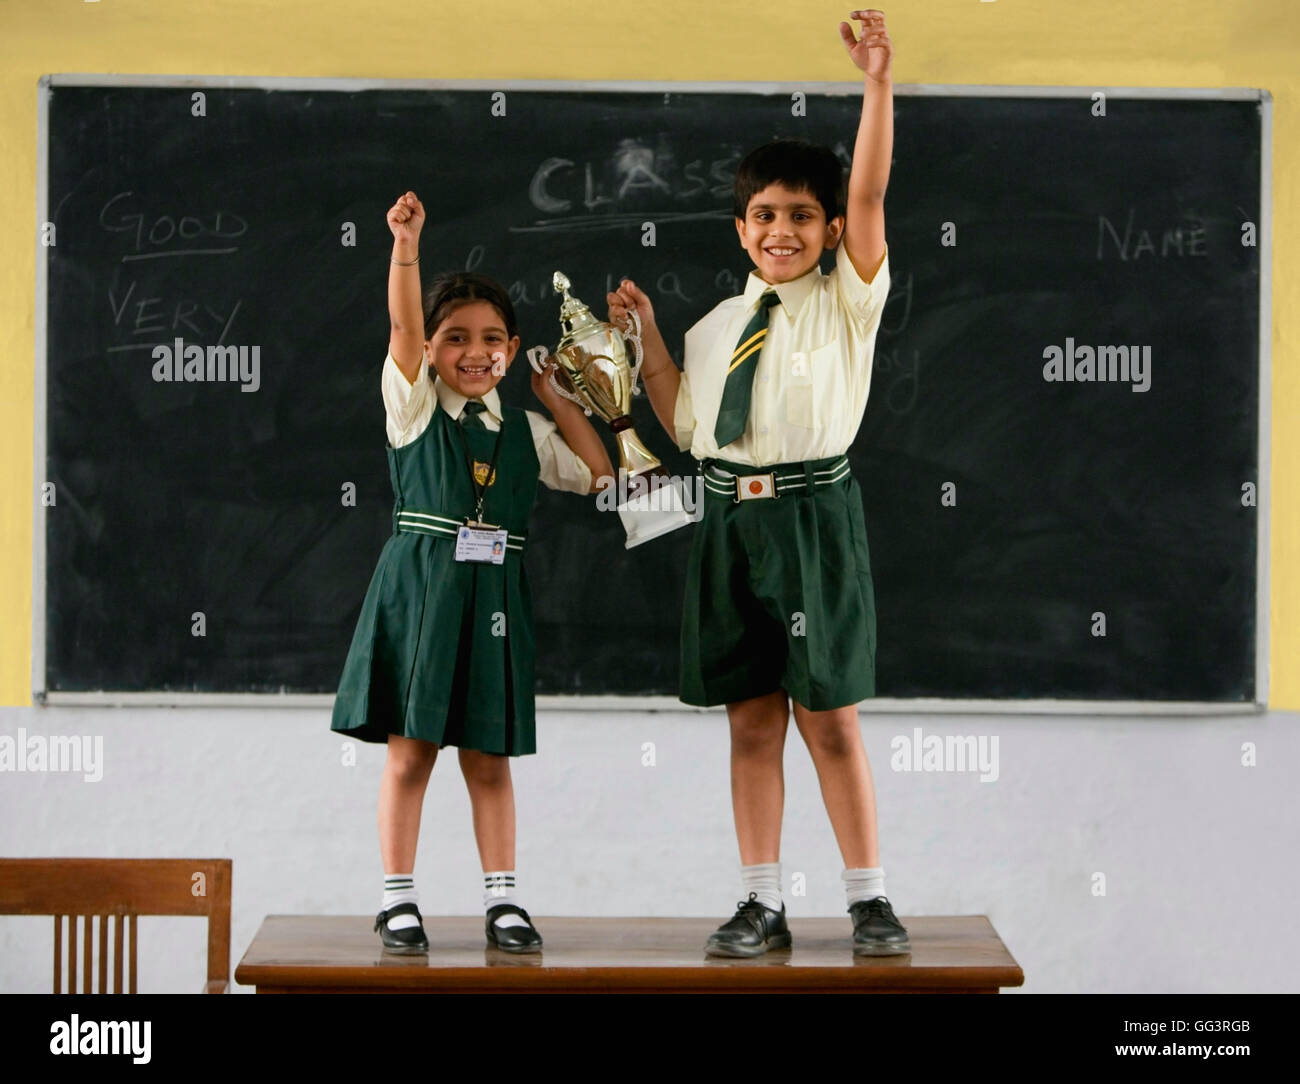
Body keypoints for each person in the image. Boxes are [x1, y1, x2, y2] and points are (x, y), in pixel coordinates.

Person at [607, 10, 908, 956]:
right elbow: (687, 420)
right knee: (750, 725)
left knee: (830, 721)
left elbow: (869, 190)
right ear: (742, 229)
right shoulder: (714, 326)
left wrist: (877, 84)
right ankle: (762, 902)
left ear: (829, 230)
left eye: (802, 216)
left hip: (814, 515)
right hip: (729, 524)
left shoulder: (849, 297)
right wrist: (648, 336)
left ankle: (867, 899)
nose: (783, 230)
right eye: (766, 216)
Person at [332, 190, 613, 955]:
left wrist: (559, 399)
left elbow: (597, 472)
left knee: (488, 757)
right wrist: (406, 246)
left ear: (515, 349)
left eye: (493, 340)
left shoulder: (523, 429)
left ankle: (504, 902)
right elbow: (400, 324)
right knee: (411, 752)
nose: (475, 352)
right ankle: (397, 901)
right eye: (455, 338)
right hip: (422, 594)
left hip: (493, 598)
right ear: (429, 350)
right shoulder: (415, 410)